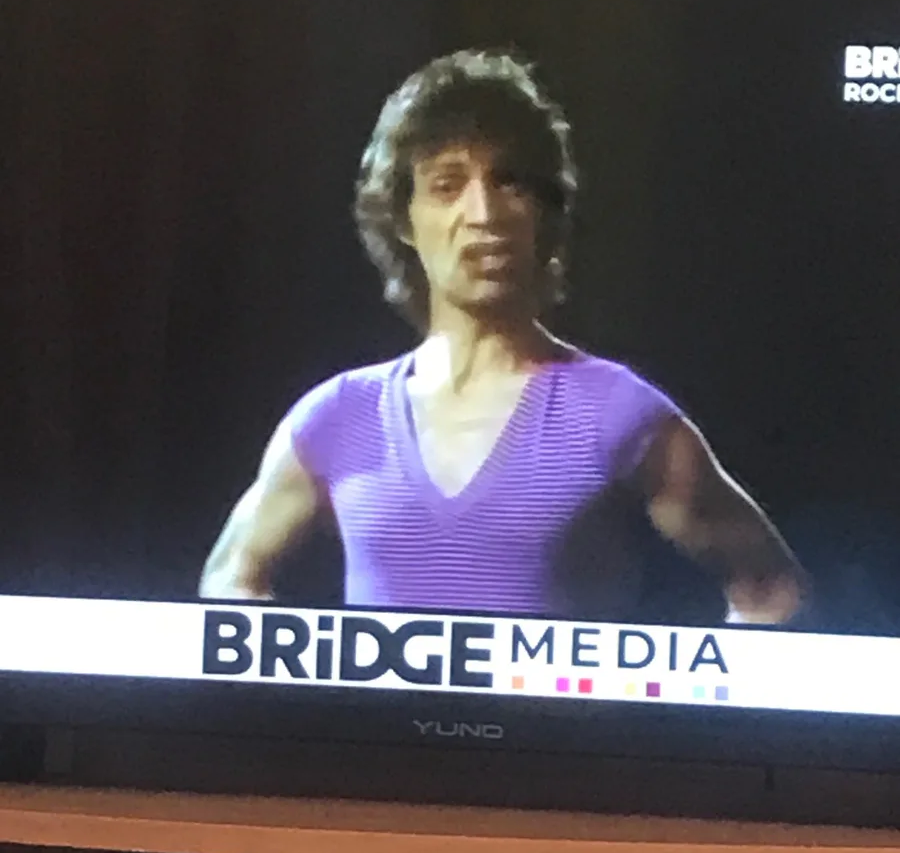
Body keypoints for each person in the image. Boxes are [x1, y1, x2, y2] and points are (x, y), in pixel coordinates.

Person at [199, 49, 806, 624]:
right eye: (447, 185)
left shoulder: (618, 414)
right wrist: (295, 693)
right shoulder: (338, 416)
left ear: (542, 211)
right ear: (404, 218)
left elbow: (772, 591)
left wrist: (666, 697)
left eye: (509, 182)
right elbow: (231, 579)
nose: (484, 215)